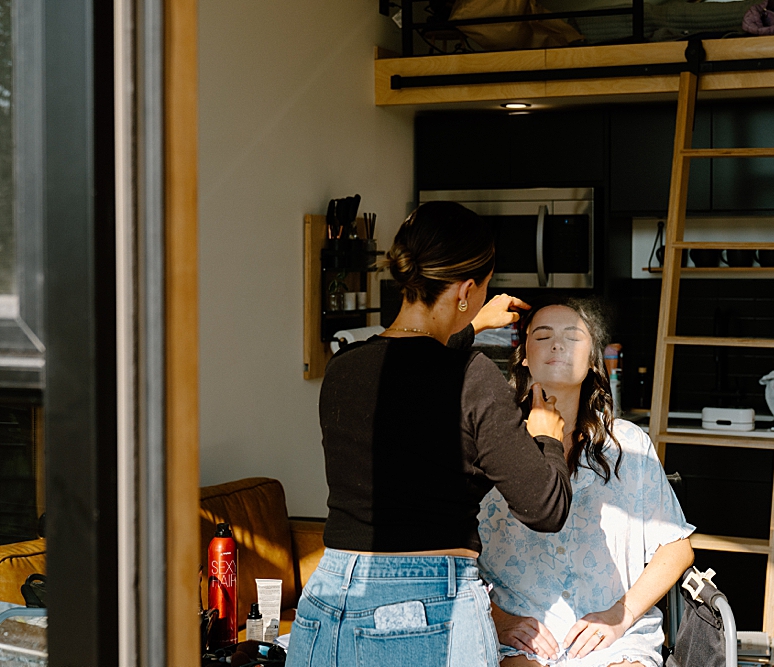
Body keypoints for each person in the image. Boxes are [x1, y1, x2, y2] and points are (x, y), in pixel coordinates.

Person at [286, 202, 573, 667]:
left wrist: (472, 323)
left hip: (327, 598)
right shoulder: (474, 379)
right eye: (482, 287)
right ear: (465, 289)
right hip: (422, 609)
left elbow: (410, 370)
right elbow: (545, 507)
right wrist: (547, 439)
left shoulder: (344, 370)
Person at [477, 300, 696, 667]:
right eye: (543, 336)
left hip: (617, 641)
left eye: (573, 337)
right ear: (525, 357)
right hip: (522, 641)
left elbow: (677, 548)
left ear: (593, 361)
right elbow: (453, 555)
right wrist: (498, 620)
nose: (557, 345)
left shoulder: (627, 444)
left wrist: (620, 615)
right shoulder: (492, 442)